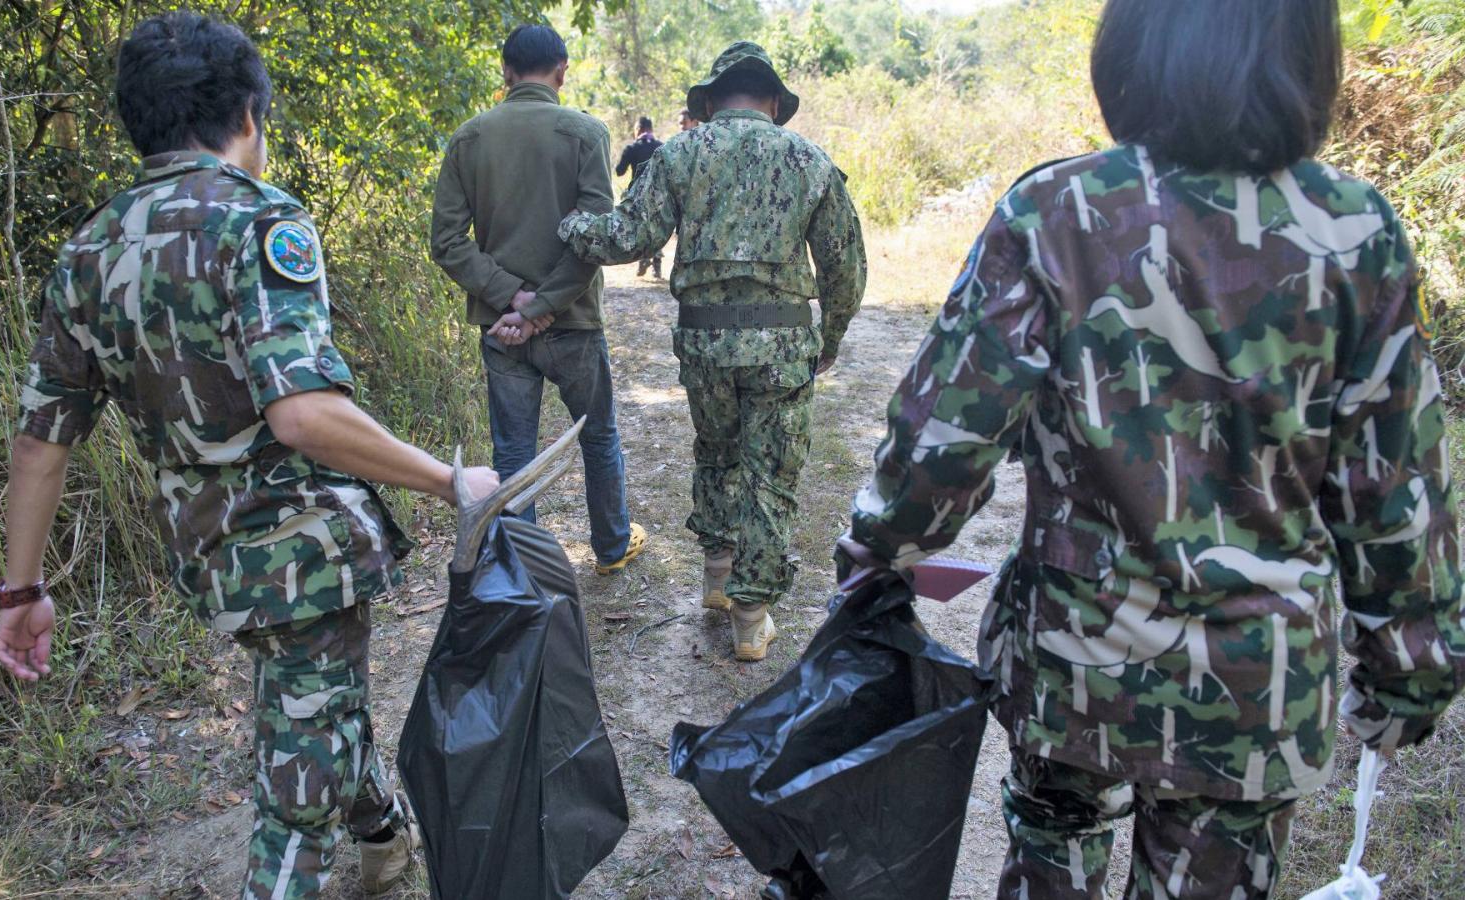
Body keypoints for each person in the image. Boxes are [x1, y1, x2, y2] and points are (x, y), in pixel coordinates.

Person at [838, 1, 1465, 896]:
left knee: (1052, 859)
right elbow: (1395, 489)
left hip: (1073, 673)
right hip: (1260, 690)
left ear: (1132, 45)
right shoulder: (1355, 233)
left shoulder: (1054, 212)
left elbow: (942, 445)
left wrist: (876, 553)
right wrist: (1412, 669)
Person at [0, 13, 500, 898]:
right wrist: (451, 479)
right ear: (250, 116)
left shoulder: (87, 251)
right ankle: (339, 848)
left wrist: (22, 591)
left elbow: (39, 445)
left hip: (213, 557)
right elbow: (302, 413)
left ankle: (382, 837)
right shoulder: (260, 221)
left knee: (316, 701)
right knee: (294, 795)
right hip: (299, 553)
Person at [561, 42, 866, 661]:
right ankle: (750, 616)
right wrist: (827, 340)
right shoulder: (810, 160)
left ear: (709, 100)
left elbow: (627, 237)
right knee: (770, 475)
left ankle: (718, 575)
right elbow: (846, 270)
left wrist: (569, 226)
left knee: (718, 453)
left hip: (704, 344)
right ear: (774, 101)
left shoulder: (680, 154)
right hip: (782, 347)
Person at [431, 24, 647, 576]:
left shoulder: (469, 138)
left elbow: (448, 242)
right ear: (562, 71)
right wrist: (541, 304)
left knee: (513, 455)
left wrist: (513, 301)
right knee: (597, 436)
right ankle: (611, 546)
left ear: (506, 71)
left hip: (502, 330)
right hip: (572, 323)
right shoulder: (585, 133)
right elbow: (596, 237)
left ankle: (520, 570)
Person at [615, 115, 664, 278]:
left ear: (639, 130)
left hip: (637, 194)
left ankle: (643, 259)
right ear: (651, 129)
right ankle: (657, 266)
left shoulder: (631, 148)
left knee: (639, 226)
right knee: (657, 226)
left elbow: (619, 171)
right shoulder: (662, 147)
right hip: (658, 194)